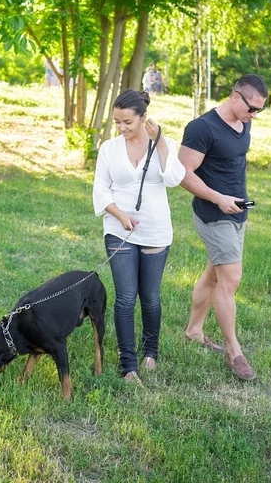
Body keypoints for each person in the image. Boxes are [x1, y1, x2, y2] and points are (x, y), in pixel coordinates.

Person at [178, 74, 268, 381]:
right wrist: (218, 198)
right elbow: (183, 173)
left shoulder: (245, 122)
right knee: (231, 278)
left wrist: (236, 201)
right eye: (252, 108)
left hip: (237, 211)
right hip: (213, 214)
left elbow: (232, 163)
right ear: (235, 97)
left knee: (215, 275)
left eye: (259, 111)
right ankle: (234, 352)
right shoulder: (202, 128)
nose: (254, 115)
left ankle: (193, 330)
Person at [93, 90, 185, 384]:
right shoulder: (109, 149)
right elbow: (100, 189)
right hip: (119, 228)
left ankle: (151, 351)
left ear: (144, 117)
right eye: (117, 122)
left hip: (156, 229)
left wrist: (160, 144)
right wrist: (120, 215)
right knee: (125, 298)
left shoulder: (164, 144)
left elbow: (173, 179)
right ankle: (128, 363)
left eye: (127, 122)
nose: (121, 128)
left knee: (150, 298)